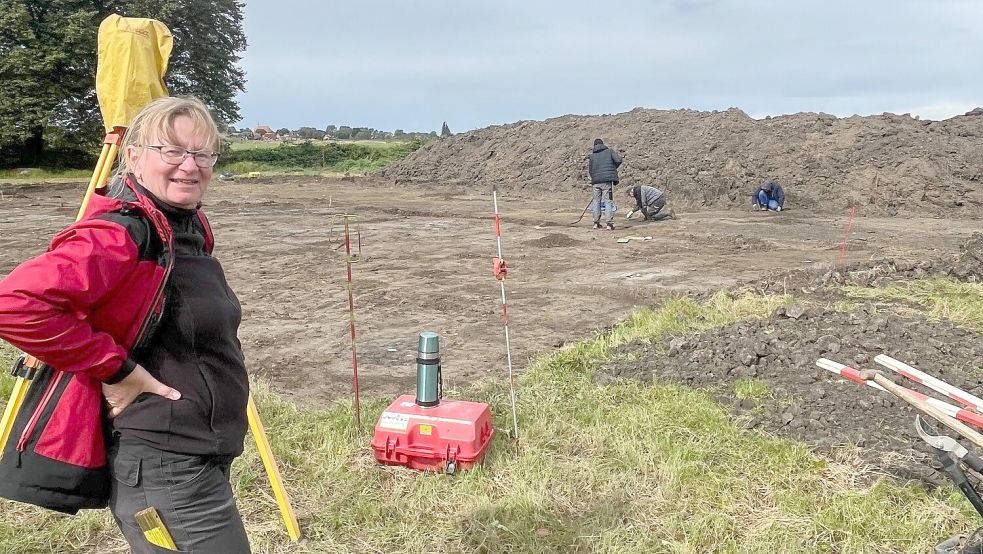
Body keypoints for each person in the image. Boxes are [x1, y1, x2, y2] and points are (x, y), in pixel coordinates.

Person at [0, 96, 251, 553]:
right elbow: (15, 303)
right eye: (171, 151)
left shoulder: (184, 228)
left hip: (197, 455)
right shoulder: (123, 232)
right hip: (164, 464)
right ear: (133, 156)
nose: (189, 166)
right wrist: (119, 370)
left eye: (202, 154)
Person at [588, 138, 622, 230]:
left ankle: (596, 223)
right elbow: (618, 160)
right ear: (602, 144)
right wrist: (612, 168)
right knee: (608, 201)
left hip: (595, 182)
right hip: (607, 181)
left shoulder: (592, 156)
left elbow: (590, 170)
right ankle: (609, 224)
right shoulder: (609, 151)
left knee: (596, 201)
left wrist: (595, 177)